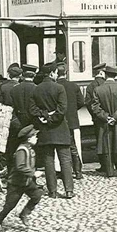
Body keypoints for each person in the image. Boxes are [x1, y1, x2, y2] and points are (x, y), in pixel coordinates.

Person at [29, 63, 74, 199]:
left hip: (45, 131)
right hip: (60, 129)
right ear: (53, 73)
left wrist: (44, 116)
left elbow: (32, 109)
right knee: (65, 160)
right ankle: (69, 190)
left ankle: (52, 191)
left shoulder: (35, 89)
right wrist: (51, 117)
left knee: (48, 161)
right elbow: (62, 109)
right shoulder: (59, 88)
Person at [0, 125, 43, 232]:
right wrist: (33, 173)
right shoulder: (22, 150)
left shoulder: (30, 149)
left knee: (37, 195)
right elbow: (20, 167)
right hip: (16, 183)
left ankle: (24, 213)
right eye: (35, 136)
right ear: (29, 138)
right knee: (10, 205)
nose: (37, 138)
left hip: (27, 182)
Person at [91, 65, 117, 177]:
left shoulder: (98, 89)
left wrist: (106, 117)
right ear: (115, 75)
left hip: (104, 123)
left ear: (105, 75)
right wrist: (115, 117)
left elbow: (95, 107)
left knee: (106, 147)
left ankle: (109, 172)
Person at [56, 63, 85, 179]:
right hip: (72, 120)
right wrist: (72, 110)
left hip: (58, 121)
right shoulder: (74, 86)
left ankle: (60, 171)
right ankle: (78, 172)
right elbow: (81, 102)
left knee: (59, 148)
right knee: (74, 147)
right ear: (66, 73)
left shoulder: (55, 86)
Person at [84, 62, 107, 172]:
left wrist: (95, 115)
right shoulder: (109, 84)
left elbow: (88, 103)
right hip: (110, 117)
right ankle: (112, 164)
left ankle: (103, 165)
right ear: (102, 72)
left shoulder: (90, 86)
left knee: (100, 141)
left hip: (98, 118)